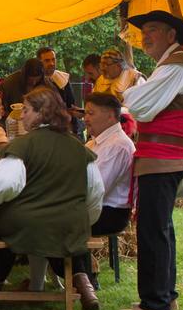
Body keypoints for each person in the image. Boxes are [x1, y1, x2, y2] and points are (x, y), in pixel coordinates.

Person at [120, 10, 183, 310]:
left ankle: (155, 303)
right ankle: (164, 297)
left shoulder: (178, 65)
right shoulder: (173, 65)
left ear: (172, 36)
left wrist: (128, 93)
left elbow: (138, 105)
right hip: (163, 158)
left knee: (152, 230)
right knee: (160, 229)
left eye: (153, 29)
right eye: (144, 30)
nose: (146, 35)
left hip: (163, 158)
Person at [0, 86, 102, 310]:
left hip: (28, 223)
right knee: (58, 231)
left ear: (41, 112)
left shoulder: (22, 145)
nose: (22, 115)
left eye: (26, 110)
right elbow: (96, 191)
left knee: (4, 226)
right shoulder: (78, 146)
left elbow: (4, 184)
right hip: (69, 223)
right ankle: (83, 283)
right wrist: (84, 219)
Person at [45, 91, 134, 298]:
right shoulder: (95, 142)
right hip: (92, 206)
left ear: (111, 116)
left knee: (49, 220)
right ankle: (71, 278)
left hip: (109, 212)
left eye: (92, 113)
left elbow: (96, 189)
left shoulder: (118, 145)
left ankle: (82, 278)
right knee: (43, 215)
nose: (85, 118)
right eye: (86, 113)